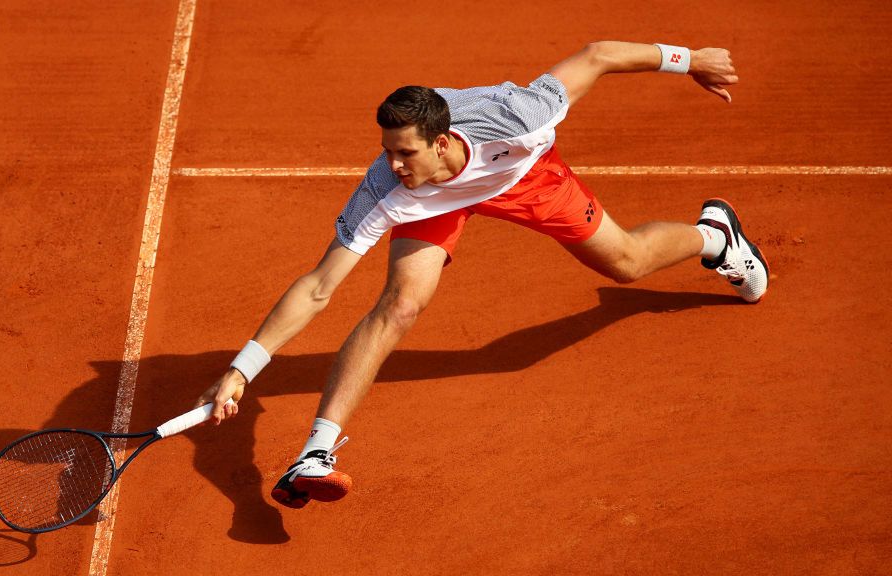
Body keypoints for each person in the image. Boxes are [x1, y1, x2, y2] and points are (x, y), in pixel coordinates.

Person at [195, 41, 769, 509]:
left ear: (441, 142)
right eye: (386, 152)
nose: (391, 166)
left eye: (403, 154)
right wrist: (243, 368)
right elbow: (319, 287)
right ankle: (317, 452)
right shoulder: (390, 188)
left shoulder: (515, 115)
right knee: (400, 305)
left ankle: (716, 236)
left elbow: (597, 57)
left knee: (626, 263)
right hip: (436, 203)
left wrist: (689, 60)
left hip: (525, 177)